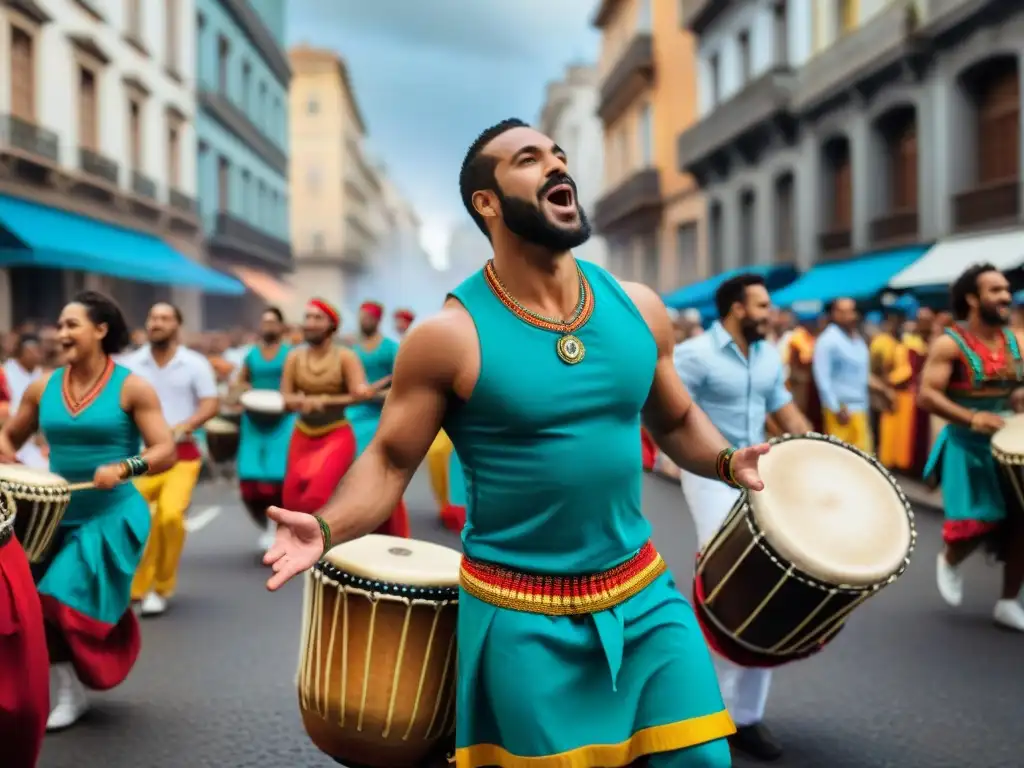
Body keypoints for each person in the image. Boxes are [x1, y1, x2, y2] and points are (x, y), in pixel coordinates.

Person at [263, 119, 773, 768]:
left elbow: (672, 419)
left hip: (644, 596)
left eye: (559, 155)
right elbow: (391, 461)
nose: (557, 166)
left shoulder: (638, 305)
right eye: (529, 160)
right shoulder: (448, 336)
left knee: (702, 760)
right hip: (520, 615)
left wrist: (729, 459)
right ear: (487, 203)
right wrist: (326, 527)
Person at [0, 291, 176, 731]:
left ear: (100, 330)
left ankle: (77, 678)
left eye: (71, 324)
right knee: (37, 606)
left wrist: (124, 466)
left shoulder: (132, 386)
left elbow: (166, 450)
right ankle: (70, 691)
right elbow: (8, 439)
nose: (61, 334)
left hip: (113, 514)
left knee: (56, 595)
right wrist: (17, 469)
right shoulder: (42, 387)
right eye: (59, 326)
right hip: (51, 518)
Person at [674, 273, 812, 762]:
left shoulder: (769, 355)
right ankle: (704, 708)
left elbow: (784, 410)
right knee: (727, 584)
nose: (769, 313)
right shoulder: (694, 355)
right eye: (761, 305)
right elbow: (672, 415)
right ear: (736, 308)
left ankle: (746, 718)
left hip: (761, 475)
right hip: (710, 474)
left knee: (767, 585)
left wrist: (819, 450)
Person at [919, 263, 1024, 631]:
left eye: (1006, 290)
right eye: (995, 290)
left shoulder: (1019, 341)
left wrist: (1018, 398)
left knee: (1021, 522)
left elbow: (1017, 391)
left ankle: (1009, 602)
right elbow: (927, 395)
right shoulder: (950, 343)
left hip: (1009, 445)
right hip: (966, 444)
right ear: (972, 299)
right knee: (981, 518)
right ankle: (949, 558)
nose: (1005, 296)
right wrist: (971, 417)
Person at [121, 303, 220, 617]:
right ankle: (135, 588)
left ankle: (161, 588)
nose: (157, 323)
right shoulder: (130, 363)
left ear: (178, 325)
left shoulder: (195, 363)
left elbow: (210, 404)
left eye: (165, 318)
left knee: (169, 517)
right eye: (153, 318)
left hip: (182, 456)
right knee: (136, 518)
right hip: (142, 456)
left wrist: (187, 425)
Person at [280, 299, 374, 519]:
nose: (310, 323)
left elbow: (357, 394)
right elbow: (285, 398)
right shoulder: (294, 357)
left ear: (332, 325)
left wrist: (327, 399)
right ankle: (300, 550)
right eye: (308, 317)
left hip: (336, 433)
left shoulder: (345, 356)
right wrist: (301, 401)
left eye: (317, 318)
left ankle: (325, 548)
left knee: (317, 497)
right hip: (303, 433)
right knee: (292, 500)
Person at [232, 307, 294, 551]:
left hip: (282, 418)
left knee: (278, 476)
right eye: (264, 322)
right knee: (250, 475)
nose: (267, 327)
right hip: (254, 419)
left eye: (272, 322)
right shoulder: (251, 355)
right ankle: (265, 521)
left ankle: (277, 527)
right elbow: (240, 382)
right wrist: (241, 390)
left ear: (281, 326)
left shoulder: (291, 354)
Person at [348, 300, 409, 537]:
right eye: (361, 316)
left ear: (377, 320)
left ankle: (384, 524)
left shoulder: (390, 348)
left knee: (377, 472)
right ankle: (357, 523)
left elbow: (402, 382)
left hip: (380, 418)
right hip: (353, 416)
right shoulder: (352, 351)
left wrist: (378, 394)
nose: (364, 321)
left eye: (368, 317)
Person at [812, 298, 890, 452]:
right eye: (844, 311)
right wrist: (835, 407)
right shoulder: (828, 340)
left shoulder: (858, 341)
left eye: (852, 311)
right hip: (841, 411)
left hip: (861, 408)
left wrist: (885, 392)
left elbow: (863, 375)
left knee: (864, 458)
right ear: (834, 314)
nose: (850, 315)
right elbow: (822, 378)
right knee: (840, 460)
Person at [3, 334, 47, 469]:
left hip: (35, 434)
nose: (36, 354)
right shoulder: (5, 371)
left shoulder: (42, 375)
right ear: (21, 352)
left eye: (38, 350)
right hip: (10, 428)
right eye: (31, 350)